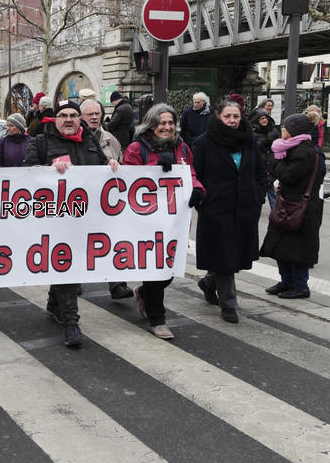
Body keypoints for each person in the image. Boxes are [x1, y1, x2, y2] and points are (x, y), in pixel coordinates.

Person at [24, 100, 120, 347]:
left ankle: (54, 303)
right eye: (63, 115)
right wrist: (49, 168)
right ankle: (71, 323)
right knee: (66, 265)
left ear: (80, 119)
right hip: (55, 220)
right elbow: (25, 175)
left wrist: (110, 166)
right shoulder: (40, 142)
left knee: (70, 265)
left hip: (86, 219)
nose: (68, 119)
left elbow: (100, 170)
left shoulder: (90, 142)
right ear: (55, 119)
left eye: (73, 115)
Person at [123, 104, 204, 340]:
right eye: (162, 123)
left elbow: (191, 174)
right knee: (156, 269)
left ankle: (143, 293)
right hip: (147, 221)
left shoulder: (183, 147)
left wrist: (197, 189)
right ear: (151, 124)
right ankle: (158, 319)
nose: (167, 127)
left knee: (168, 270)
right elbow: (129, 181)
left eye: (170, 123)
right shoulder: (137, 149)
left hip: (174, 222)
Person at [192, 100, 267, 324]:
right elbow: (196, 174)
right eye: (228, 116)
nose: (232, 121)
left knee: (233, 254)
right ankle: (229, 304)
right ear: (218, 117)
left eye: (236, 116)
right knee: (225, 256)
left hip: (244, 207)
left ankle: (208, 282)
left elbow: (260, 171)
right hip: (217, 208)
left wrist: (258, 196)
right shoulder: (204, 142)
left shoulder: (249, 140)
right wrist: (204, 199)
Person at [260, 114, 326, 299]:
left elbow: (289, 176)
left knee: (297, 249)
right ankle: (287, 281)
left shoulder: (305, 151)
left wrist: (276, 163)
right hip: (288, 203)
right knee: (282, 246)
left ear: (292, 131)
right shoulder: (293, 148)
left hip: (300, 207)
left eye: (285, 127)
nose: (282, 129)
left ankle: (300, 286)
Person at [79, 99, 133, 299]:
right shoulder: (74, 139)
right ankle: (73, 279)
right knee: (79, 241)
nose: (94, 117)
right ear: (81, 117)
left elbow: (122, 164)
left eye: (97, 113)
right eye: (89, 114)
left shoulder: (111, 139)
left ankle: (117, 283)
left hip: (107, 201)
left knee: (112, 239)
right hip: (81, 201)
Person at [250, 107, 279, 207]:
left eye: (265, 118)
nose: (264, 120)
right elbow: (252, 148)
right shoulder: (253, 132)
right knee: (259, 193)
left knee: (273, 192)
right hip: (260, 165)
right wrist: (263, 142)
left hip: (272, 165)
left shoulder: (274, 130)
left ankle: (275, 216)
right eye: (261, 118)